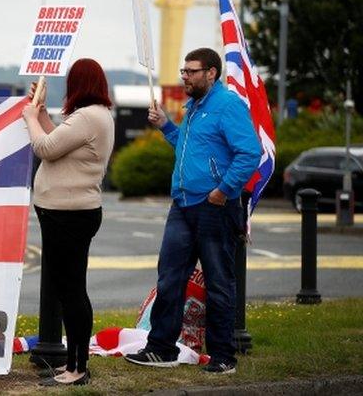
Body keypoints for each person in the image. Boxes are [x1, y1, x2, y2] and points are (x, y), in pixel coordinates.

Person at [125, 47, 260, 374]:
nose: (184, 76)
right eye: (183, 71)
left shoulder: (226, 105)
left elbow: (249, 152)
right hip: (183, 204)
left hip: (213, 206)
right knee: (170, 276)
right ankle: (161, 348)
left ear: (211, 73)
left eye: (191, 71)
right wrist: (167, 127)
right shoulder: (195, 108)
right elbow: (187, 149)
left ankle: (223, 355)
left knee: (218, 281)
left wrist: (223, 191)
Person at [21, 58, 115, 386]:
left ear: (79, 84)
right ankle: (75, 364)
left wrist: (30, 117)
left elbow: (44, 147)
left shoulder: (89, 116)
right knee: (67, 289)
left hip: (69, 215)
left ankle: (78, 367)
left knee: (72, 291)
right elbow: (59, 141)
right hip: (65, 212)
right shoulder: (92, 116)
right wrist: (43, 113)